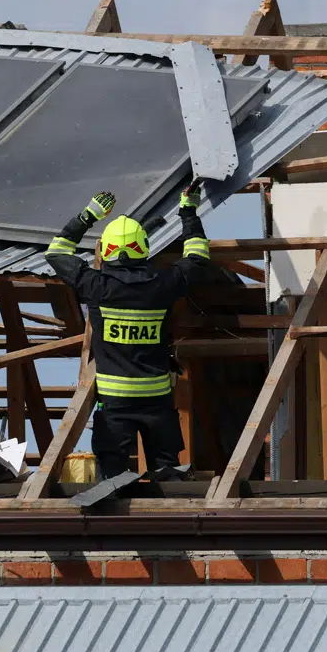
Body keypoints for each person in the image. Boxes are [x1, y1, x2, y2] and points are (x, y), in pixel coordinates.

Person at [44, 182, 214, 479]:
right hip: (157, 400)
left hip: (114, 403)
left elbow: (57, 252)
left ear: (107, 250)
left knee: (113, 483)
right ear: (143, 249)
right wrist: (188, 212)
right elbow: (198, 257)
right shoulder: (162, 285)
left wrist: (88, 215)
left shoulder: (96, 286)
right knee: (168, 477)